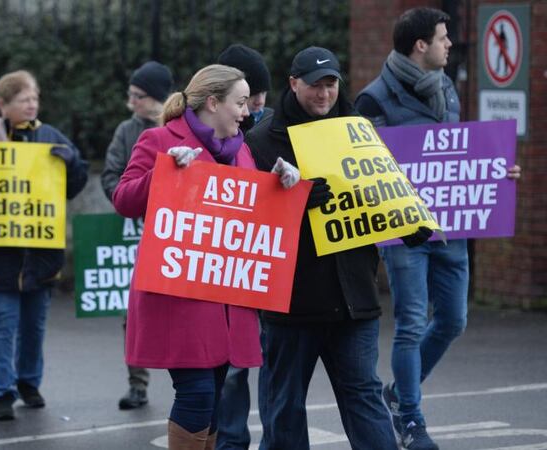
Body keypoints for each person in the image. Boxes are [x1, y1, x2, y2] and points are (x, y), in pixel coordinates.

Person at [355, 8, 520, 449]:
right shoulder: (374, 101)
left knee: (453, 319)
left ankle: (396, 393)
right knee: (410, 322)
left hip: (452, 227)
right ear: (420, 45)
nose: (450, 45)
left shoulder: (447, 88)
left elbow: (456, 154)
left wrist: (497, 172)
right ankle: (412, 420)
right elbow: (371, 171)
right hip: (408, 234)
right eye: (443, 39)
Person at [113, 64, 299, 449]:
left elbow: (251, 218)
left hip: (226, 301)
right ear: (213, 102)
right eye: (240, 102)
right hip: (179, 298)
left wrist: (282, 186)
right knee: (197, 394)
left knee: (212, 399)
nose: (247, 112)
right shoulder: (159, 139)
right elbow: (124, 199)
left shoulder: (242, 151)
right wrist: (163, 172)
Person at [246, 47, 402, 450]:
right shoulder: (261, 141)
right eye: (315, 85)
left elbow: (383, 189)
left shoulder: (357, 130)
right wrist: (292, 201)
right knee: (284, 408)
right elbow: (245, 217)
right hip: (292, 303)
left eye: (330, 83)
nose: (324, 94)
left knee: (365, 396)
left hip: (355, 298)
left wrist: (411, 222)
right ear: (293, 83)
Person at [0, 70, 88, 421]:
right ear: (3, 104)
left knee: (34, 325)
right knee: (0, 325)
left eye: (35, 98)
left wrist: (73, 165)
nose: (32, 104)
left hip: (40, 257)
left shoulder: (51, 138)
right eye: (24, 99)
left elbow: (72, 186)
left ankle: (29, 383)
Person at [100, 60, 174, 411]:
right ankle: (138, 384)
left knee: (182, 308)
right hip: (140, 231)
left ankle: (187, 378)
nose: (130, 102)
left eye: (137, 96)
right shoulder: (126, 132)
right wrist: (131, 200)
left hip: (178, 233)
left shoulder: (180, 126)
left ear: (157, 98)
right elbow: (111, 175)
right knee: (136, 310)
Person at [213, 43, 272, 450]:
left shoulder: (272, 129)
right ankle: (231, 441)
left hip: (263, 259)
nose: (252, 108)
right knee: (230, 364)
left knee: (267, 356)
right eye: (247, 99)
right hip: (225, 261)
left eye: (258, 98)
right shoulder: (210, 131)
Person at [217, 43, 273, 132]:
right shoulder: (219, 129)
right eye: (252, 94)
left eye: (263, 92)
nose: (260, 101)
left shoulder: (271, 120)